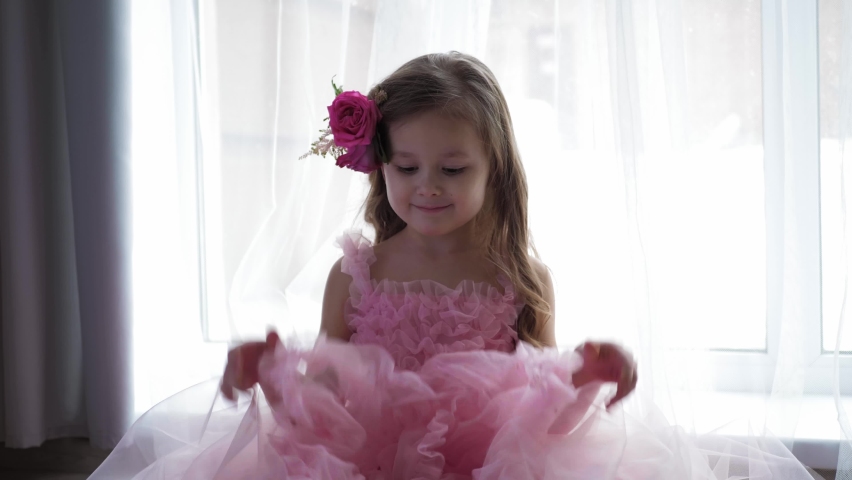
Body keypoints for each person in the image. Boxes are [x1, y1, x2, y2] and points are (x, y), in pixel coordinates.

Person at [91, 52, 821, 479]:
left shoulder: (517, 276)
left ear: (493, 170)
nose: (427, 186)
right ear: (378, 166)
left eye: (452, 167)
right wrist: (275, 375)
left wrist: (590, 374)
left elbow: (536, 414)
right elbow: (325, 402)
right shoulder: (358, 273)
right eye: (406, 166)